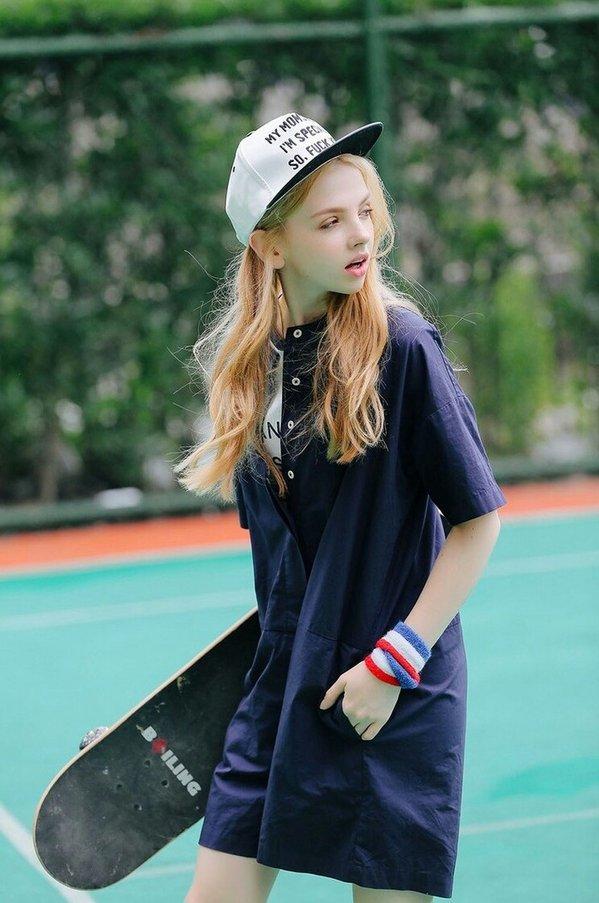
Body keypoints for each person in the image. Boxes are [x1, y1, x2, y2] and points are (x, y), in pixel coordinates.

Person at [175, 111, 507, 903]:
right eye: (329, 222)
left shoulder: (404, 347)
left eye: (363, 211)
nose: (361, 234)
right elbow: (292, 562)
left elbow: (478, 521)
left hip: (390, 690)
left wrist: (395, 661)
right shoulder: (252, 369)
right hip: (284, 681)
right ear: (270, 244)